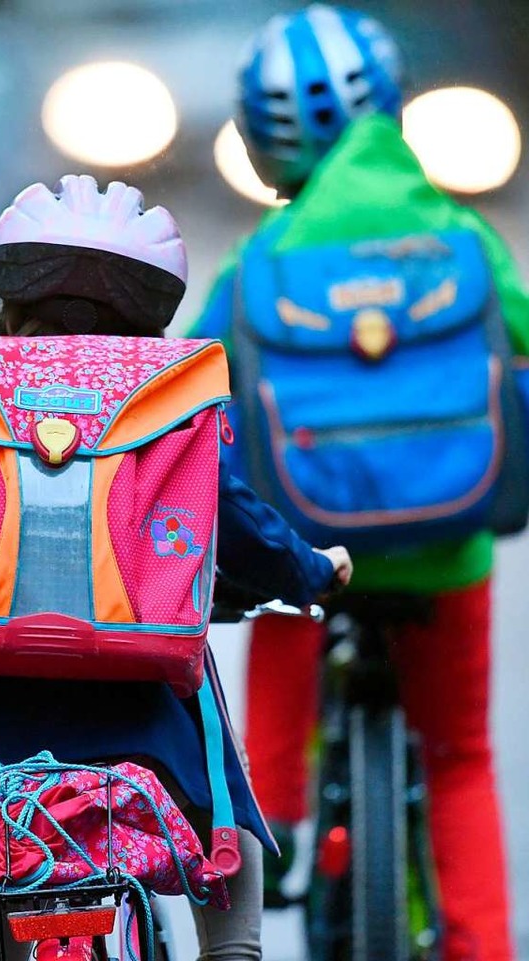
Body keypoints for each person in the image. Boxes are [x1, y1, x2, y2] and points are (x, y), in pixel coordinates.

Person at [0, 174, 351, 961]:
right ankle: (231, 949)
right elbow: (230, 519)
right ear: (150, 307)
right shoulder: (162, 397)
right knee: (220, 818)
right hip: (135, 719)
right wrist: (310, 570)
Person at [190, 6, 529, 961]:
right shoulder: (461, 232)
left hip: (316, 534)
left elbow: (194, 377)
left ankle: (281, 821)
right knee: (460, 755)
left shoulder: (266, 254)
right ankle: (481, 946)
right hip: (448, 539)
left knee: (284, 596)